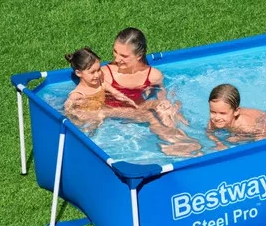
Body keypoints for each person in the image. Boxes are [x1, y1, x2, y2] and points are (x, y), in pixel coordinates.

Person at [63, 47, 201, 156]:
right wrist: (82, 118)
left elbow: (117, 94)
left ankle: (179, 137)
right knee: (150, 115)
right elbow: (68, 110)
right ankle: (174, 142)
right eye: (92, 72)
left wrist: (131, 102)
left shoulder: (100, 83)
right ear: (78, 73)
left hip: (107, 113)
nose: (98, 74)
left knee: (156, 105)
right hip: (98, 116)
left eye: (98, 70)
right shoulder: (77, 94)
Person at [101, 27, 186, 126]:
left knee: (166, 112)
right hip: (111, 119)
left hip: (140, 118)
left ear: (139, 56)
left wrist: (173, 110)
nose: (117, 59)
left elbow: (163, 98)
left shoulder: (153, 76)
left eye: (124, 56)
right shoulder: (105, 73)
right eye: (115, 51)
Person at [207, 83, 266, 148]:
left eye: (222, 113)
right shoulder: (213, 121)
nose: (217, 118)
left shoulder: (246, 126)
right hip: (248, 117)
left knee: (260, 139)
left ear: (236, 111)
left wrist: (241, 138)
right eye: (213, 112)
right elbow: (209, 133)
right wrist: (219, 143)